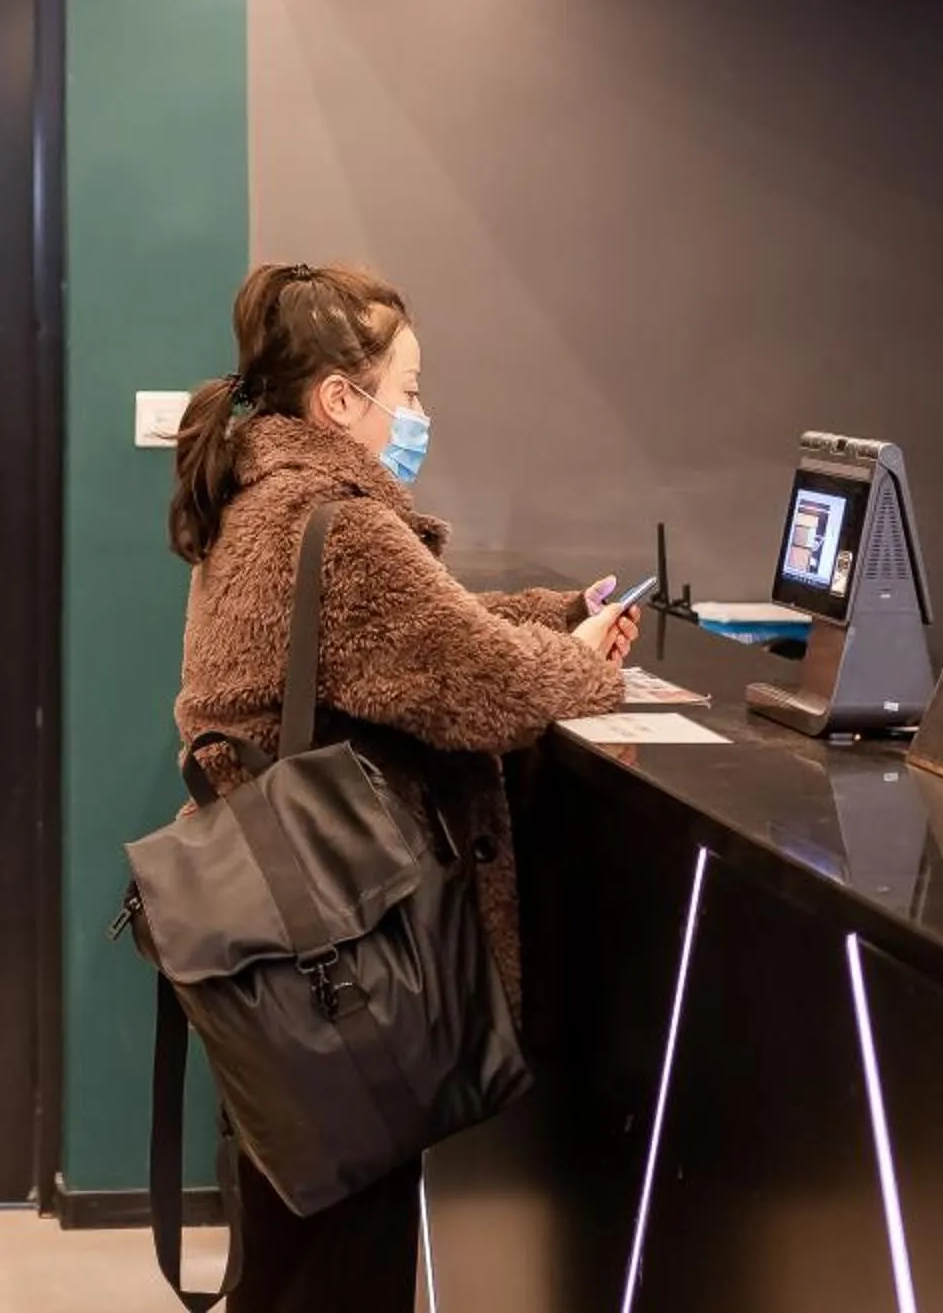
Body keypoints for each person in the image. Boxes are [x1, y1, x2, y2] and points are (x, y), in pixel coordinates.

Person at [168, 261, 634, 1313]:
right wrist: (590, 662)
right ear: (340, 397)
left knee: (291, 1257)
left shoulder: (258, 497)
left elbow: (425, 637)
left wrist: (555, 615)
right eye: (408, 388)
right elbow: (482, 685)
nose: (421, 413)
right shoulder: (344, 529)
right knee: (345, 1271)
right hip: (347, 971)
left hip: (273, 957)